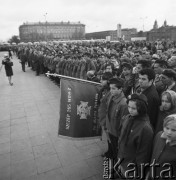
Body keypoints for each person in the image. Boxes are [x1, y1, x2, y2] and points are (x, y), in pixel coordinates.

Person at [116, 93, 154, 179]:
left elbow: (143, 154)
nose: (130, 110)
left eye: (133, 108)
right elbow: (121, 139)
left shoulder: (146, 129)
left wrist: (138, 172)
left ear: (142, 108)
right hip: (122, 160)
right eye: (129, 107)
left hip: (132, 167)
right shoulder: (127, 118)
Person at [104, 77, 128, 160]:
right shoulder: (112, 96)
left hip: (116, 132)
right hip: (110, 127)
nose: (111, 91)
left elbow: (123, 122)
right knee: (110, 144)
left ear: (120, 89)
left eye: (113, 89)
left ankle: (115, 166)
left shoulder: (124, 103)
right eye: (110, 88)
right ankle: (110, 155)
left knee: (116, 151)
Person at [147, 114, 176, 179]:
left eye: (173, 130)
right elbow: (152, 156)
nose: (169, 132)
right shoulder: (159, 136)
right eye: (167, 128)